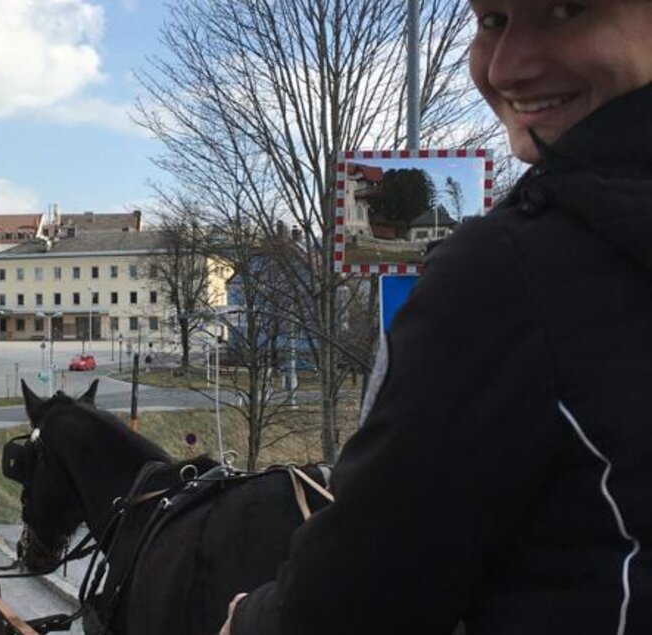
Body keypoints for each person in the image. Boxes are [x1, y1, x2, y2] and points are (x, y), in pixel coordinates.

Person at [221, 1, 652, 633]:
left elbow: (353, 601)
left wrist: (250, 621)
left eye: (565, 9)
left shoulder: (510, 277)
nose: (507, 68)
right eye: (492, 20)